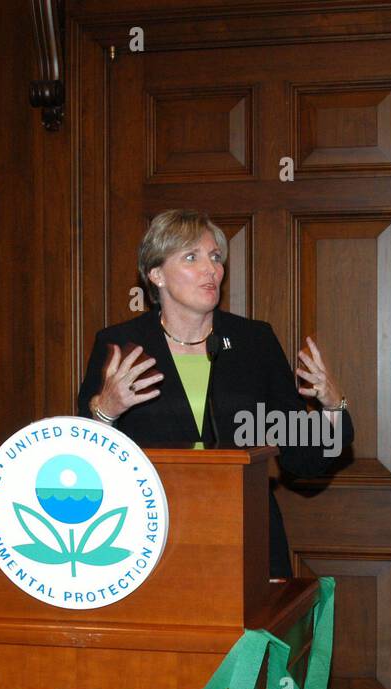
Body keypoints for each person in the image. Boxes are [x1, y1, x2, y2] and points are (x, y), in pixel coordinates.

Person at [75, 209, 354, 579]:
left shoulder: (253, 342)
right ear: (155, 274)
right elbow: (83, 453)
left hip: (245, 535)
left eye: (216, 257)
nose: (212, 269)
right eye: (192, 257)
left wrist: (333, 406)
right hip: (148, 539)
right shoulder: (122, 346)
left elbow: (302, 457)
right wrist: (106, 410)